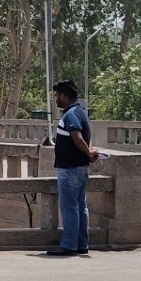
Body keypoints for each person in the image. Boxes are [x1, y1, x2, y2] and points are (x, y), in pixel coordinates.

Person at [46, 79, 95, 256]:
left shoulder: (71, 115)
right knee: (80, 206)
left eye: (57, 96)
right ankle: (81, 244)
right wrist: (88, 154)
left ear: (65, 96)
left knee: (70, 207)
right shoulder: (80, 112)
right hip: (78, 168)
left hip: (70, 169)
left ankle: (69, 245)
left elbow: (77, 138)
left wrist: (89, 154)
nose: (56, 99)